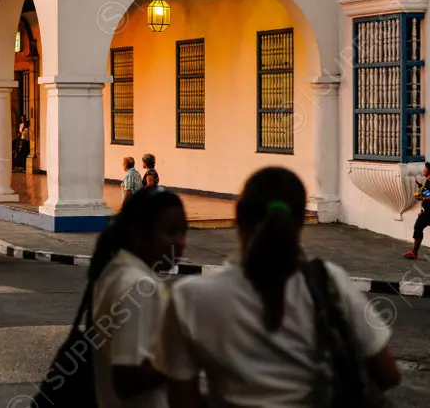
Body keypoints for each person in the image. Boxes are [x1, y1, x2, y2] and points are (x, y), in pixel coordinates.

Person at [156, 166, 401, 407]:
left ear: (238, 218)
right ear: (299, 224)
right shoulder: (329, 282)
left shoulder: (190, 297)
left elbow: (181, 398)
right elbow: (388, 374)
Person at [90, 186, 188, 408]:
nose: (181, 242)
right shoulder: (139, 286)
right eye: (171, 231)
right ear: (138, 233)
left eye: (183, 231)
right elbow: (127, 381)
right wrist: (187, 355)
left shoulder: (117, 271)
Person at [403, 161, 430, 259]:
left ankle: (414, 253)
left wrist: (421, 197)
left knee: (418, 228)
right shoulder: (427, 181)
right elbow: (427, 192)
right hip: (426, 211)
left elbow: (428, 195)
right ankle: (414, 252)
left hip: (429, 213)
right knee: (418, 228)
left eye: (425, 169)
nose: (423, 170)